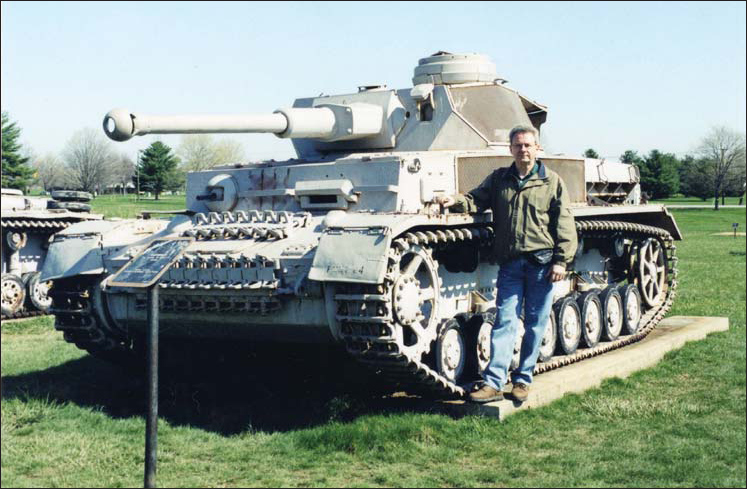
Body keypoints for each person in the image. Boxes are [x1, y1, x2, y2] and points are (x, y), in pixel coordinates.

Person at [434, 125, 577, 402]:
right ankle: (494, 382)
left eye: (528, 145)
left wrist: (561, 261)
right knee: (504, 322)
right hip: (511, 264)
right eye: (518, 145)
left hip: (542, 264)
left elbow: (565, 224)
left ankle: (523, 380)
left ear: (537, 148)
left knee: (535, 324)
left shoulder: (552, 182)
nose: (523, 150)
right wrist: (454, 200)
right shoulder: (500, 179)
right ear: (511, 149)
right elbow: (476, 199)